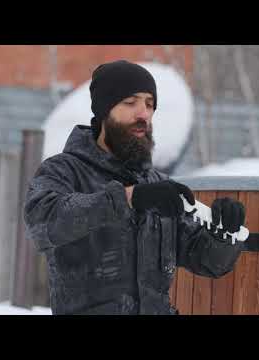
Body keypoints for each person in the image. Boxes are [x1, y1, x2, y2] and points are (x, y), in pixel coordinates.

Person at [24, 60, 246, 315]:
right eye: (130, 103)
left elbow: (205, 260)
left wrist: (223, 235)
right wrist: (129, 198)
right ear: (104, 111)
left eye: (149, 104)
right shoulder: (64, 171)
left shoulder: (156, 184)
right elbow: (43, 222)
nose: (144, 114)